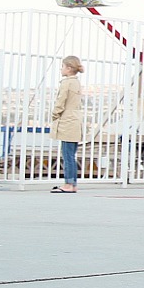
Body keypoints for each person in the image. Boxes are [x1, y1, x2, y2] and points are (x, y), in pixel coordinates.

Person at [50, 55, 84, 192]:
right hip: (75, 120)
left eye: (63, 66)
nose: (61, 69)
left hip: (67, 121)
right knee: (71, 154)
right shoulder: (76, 82)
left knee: (67, 154)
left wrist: (54, 114)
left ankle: (68, 184)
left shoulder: (66, 83)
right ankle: (73, 183)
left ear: (69, 68)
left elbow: (61, 101)